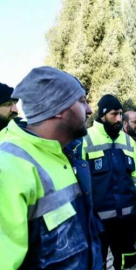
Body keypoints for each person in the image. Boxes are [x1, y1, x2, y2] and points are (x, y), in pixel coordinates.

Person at [0, 66, 103, 269]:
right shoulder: (8, 167)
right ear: (58, 109)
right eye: (82, 101)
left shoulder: (64, 155)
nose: (90, 110)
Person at [82, 94, 136, 270]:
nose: (119, 119)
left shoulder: (129, 141)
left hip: (126, 221)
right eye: (114, 114)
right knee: (96, 263)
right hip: (98, 222)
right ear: (102, 116)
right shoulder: (86, 139)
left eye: (121, 114)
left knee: (126, 262)